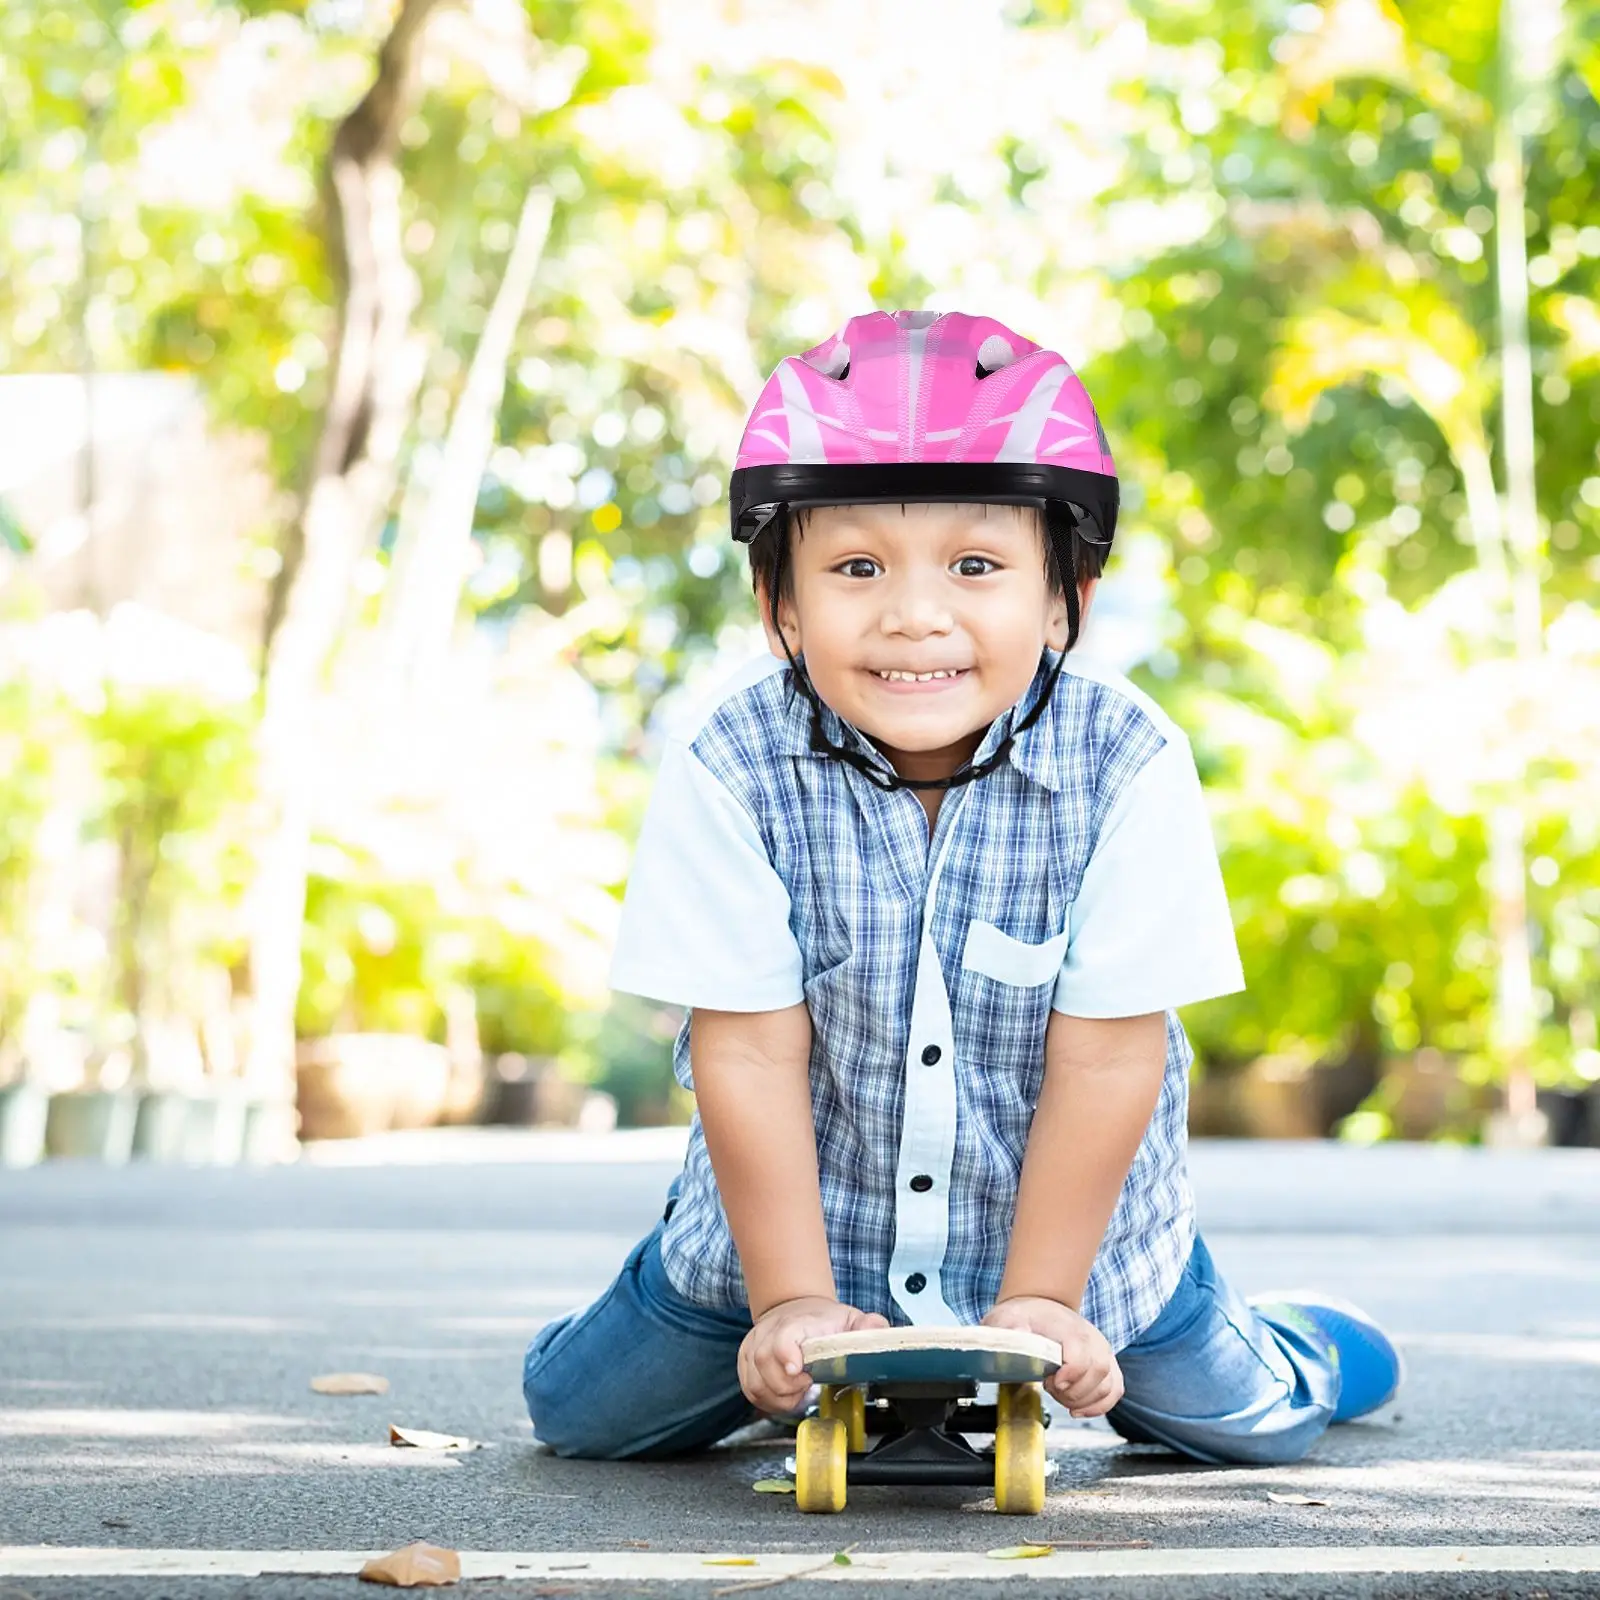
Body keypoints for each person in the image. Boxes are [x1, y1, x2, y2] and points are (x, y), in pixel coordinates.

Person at [523, 309, 1401, 1465]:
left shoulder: (1126, 763)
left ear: (1061, 599)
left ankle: (1304, 1346)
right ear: (780, 603)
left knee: (1251, 1425)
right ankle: (766, 1354)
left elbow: (1107, 1052)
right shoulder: (730, 764)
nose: (914, 612)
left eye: (975, 565)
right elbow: (743, 1048)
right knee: (581, 1419)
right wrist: (789, 1303)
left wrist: (1044, 1297)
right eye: (854, 567)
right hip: (783, 1245)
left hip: (1090, 1256)